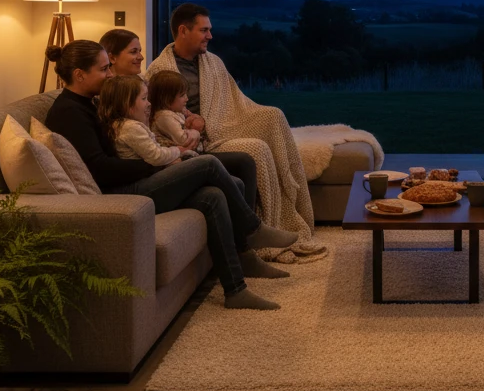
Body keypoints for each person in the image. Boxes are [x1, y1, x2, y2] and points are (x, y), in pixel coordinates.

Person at [44, 40, 296, 310]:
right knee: (208, 164)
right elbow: (101, 169)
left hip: (133, 179)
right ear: (80, 74)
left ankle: (235, 289)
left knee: (214, 194)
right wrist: (159, 165)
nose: (110, 74)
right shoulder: (69, 113)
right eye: (104, 69)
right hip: (122, 194)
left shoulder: (89, 102)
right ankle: (251, 229)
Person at [145, 3, 332, 262]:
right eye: (204, 30)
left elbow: (235, 101)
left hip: (218, 127)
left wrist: (207, 123)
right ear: (183, 30)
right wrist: (190, 126)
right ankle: (257, 230)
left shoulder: (213, 63)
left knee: (273, 115)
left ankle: (288, 202)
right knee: (255, 149)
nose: (210, 36)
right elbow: (155, 119)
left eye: (210, 30)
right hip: (187, 139)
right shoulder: (158, 70)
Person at [99, 27, 269, 244]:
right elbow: (151, 133)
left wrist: (196, 121)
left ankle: (246, 243)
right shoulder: (109, 100)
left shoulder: (142, 82)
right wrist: (176, 149)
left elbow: (170, 110)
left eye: (140, 51)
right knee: (211, 166)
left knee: (244, 162)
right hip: (160, 160)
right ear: (112, 58)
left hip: (172, 150)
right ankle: (251, 231)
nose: (141, 56)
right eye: (133, 52)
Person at [98, 74, 188, 166]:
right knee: (201, 164)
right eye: (144, 98)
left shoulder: (120, 125)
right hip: (146, 178)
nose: (148, 103)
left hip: (152, 171)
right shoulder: (131, 127)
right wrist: (178, 150)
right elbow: (156, 156)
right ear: (127, 104)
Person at [149, 70, 204, 153]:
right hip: (176, 156)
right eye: (182, 95)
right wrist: (194, 132)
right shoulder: (164, 117)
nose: (187, 99)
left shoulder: (176, 111)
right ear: (166, 99)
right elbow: (183, 140)